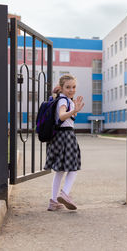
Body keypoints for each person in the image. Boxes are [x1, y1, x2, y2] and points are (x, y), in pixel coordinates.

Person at [44, 74, 84, 211]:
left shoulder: (64, 99)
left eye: (73, 87)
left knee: (60, 170)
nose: (71, 90)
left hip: (58, 137)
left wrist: (75, 110)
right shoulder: (63, 101)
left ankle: (53, 201)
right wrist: (74, 110)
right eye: (68, 87)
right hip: (66, 136)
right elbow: (62, 116)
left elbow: (68, 118)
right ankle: (65, 193)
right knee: (73, 168)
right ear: (61, 88)